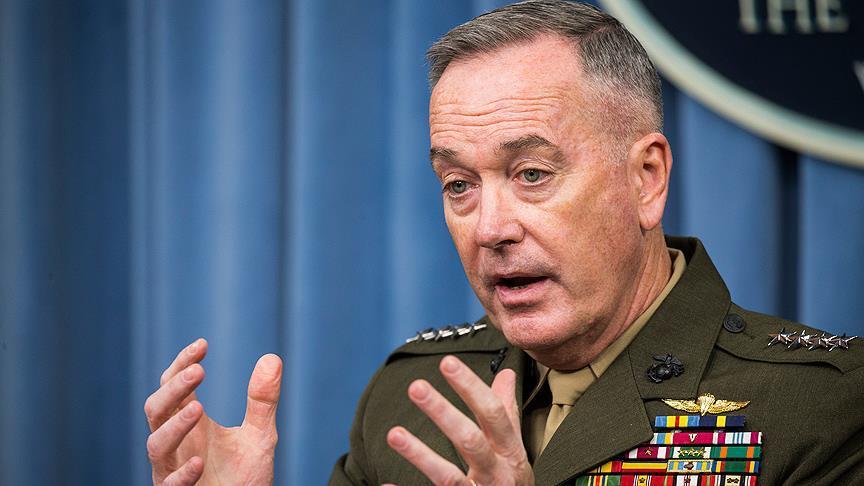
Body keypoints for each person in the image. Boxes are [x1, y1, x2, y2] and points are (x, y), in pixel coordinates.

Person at [144, 1, 864, 485]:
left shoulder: (824, 408)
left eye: (532, 174)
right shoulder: (409, 402)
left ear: (646, 178)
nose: (490, 227)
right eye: (458, 184)